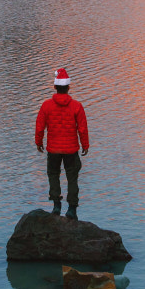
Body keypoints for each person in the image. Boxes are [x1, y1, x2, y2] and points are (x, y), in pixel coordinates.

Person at [35, 67, 89, 220]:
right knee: (72, 177)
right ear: (68, 87)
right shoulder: (76, 106)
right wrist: (85, 145)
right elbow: (83, 129)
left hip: (53, 149)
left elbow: (40, 127)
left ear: (55, 87)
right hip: (71, 149)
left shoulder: (46, 105)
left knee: (53, 175)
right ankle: (72, 209)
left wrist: (38, 142)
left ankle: (56, 206)